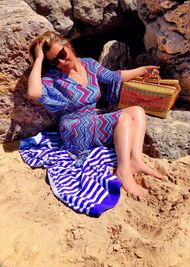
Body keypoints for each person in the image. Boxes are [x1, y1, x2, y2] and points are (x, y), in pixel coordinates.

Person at [27, 31, 163, 199]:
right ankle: (123, 170)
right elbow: (33, 93)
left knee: (137, 111)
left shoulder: (89, 64)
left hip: (92, 117)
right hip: (74, 126)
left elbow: (114, 76)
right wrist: (39, 59)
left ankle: (136, 159)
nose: (62, 62)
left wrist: (142, 70)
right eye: (55, 60)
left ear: (68, 45)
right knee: (123, 118)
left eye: (62, 54)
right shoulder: (53, 78)